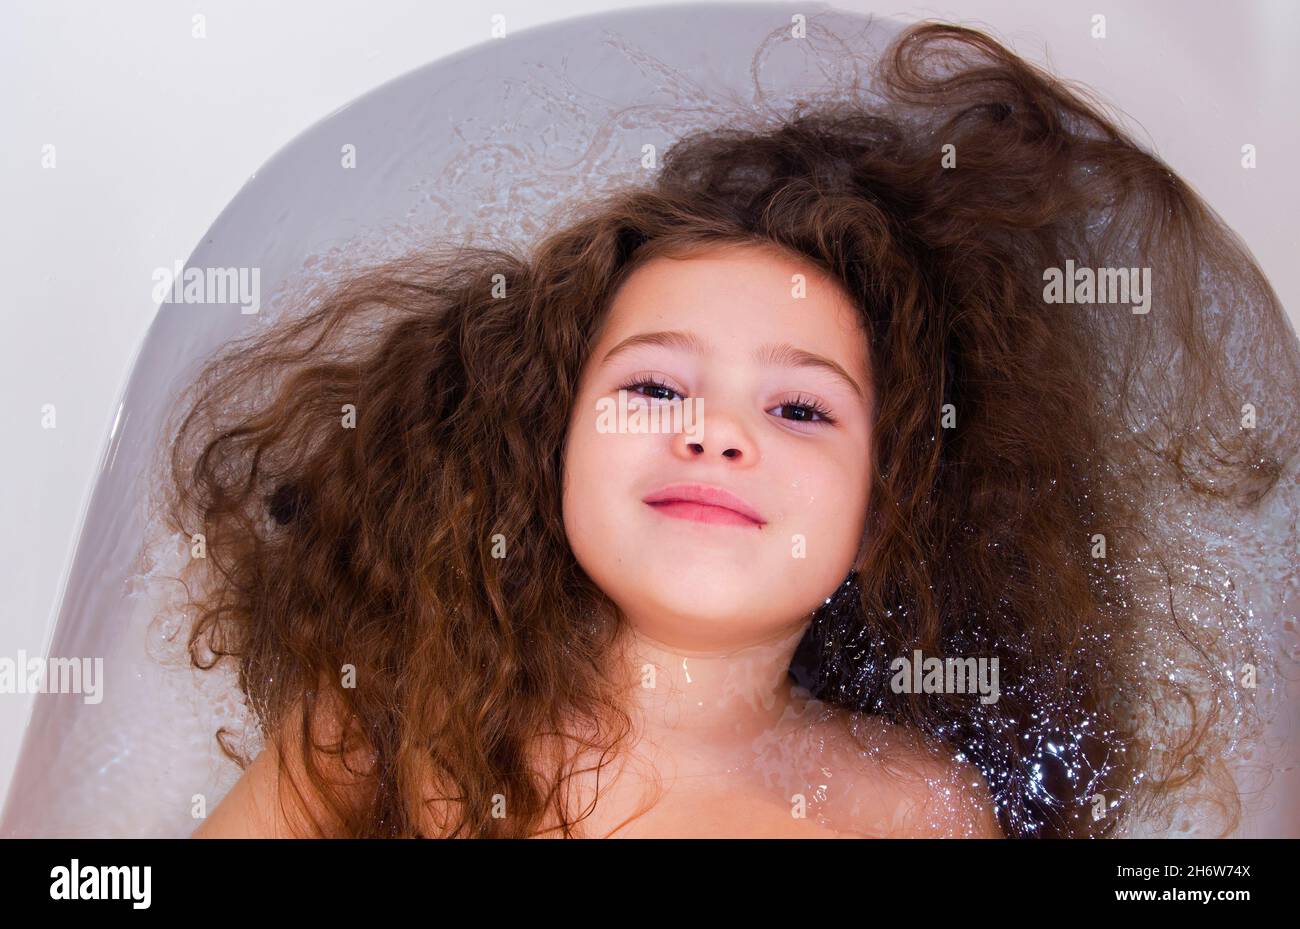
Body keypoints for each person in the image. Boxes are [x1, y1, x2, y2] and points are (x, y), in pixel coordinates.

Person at [169, 22, 1299, 838]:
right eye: (656, 388)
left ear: (880, 515)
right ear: (545, 446)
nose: (715, 432)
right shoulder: (384, 728)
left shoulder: (909, 810)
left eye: (800, 407)